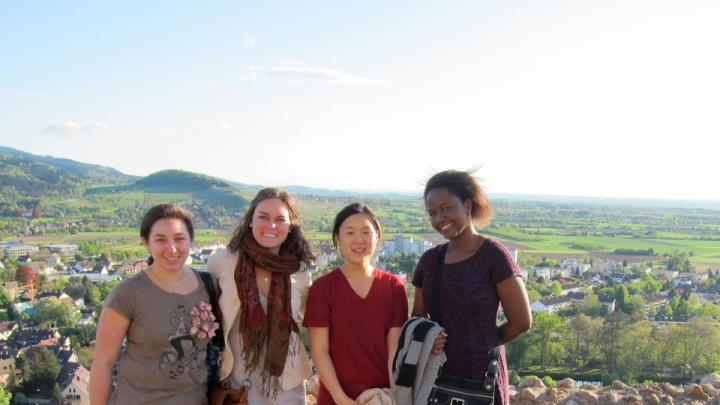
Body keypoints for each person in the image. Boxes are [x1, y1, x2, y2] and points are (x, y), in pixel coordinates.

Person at [411, 170, 532, 405]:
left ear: (467, 205)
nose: (439, 219)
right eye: (433, 213)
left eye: (446, 208)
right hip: (437, 377)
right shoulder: (430, 261)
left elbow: (522, 321)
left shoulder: (494, 257)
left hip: (482, 380)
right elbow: (417, 317)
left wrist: (485, 342)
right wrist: (427, 337)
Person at [90, 204, 215, 405]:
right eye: (160, 240)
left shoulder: (209, 287)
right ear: (146, 243)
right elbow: (102, 363)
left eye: (179, 239)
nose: (171, 248)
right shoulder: (128, 293)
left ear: (191, 241)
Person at [206, 188, 315, 404]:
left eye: (280, 219)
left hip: (286, 386)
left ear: (290, 226)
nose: (271, 226)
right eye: (263, 217)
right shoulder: (222, 263)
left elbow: (317, 322)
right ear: (250, 221)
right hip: (237, 385)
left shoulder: (299, 271)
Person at [305, 203, 409, 405]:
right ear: (338, 238)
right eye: (350, 232)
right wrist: (341, 398)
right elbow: (319, 350)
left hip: (380, 397)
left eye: (366, 232)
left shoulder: (394, 287)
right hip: (335, 396)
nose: (359, 240)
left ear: (377, 237)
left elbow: (394, 350)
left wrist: (395, 394)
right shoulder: (322, 288)